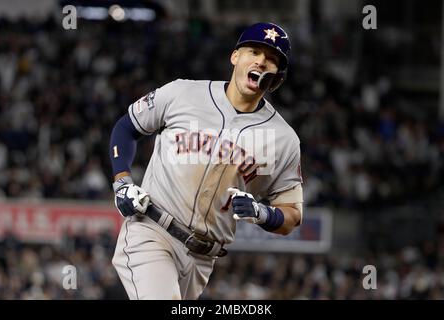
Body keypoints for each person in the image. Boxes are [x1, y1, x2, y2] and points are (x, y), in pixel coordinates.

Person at [109, 22, 304, 300]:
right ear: (235, 56)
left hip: (203, 259)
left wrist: (263, 213)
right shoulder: (183, 94)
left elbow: (292, 214)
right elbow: (126, 128)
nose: (261, 61)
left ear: (278, 76)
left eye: (272, 59)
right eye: (254, 52)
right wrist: (122, 182)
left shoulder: (283, 139)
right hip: (151, 231)